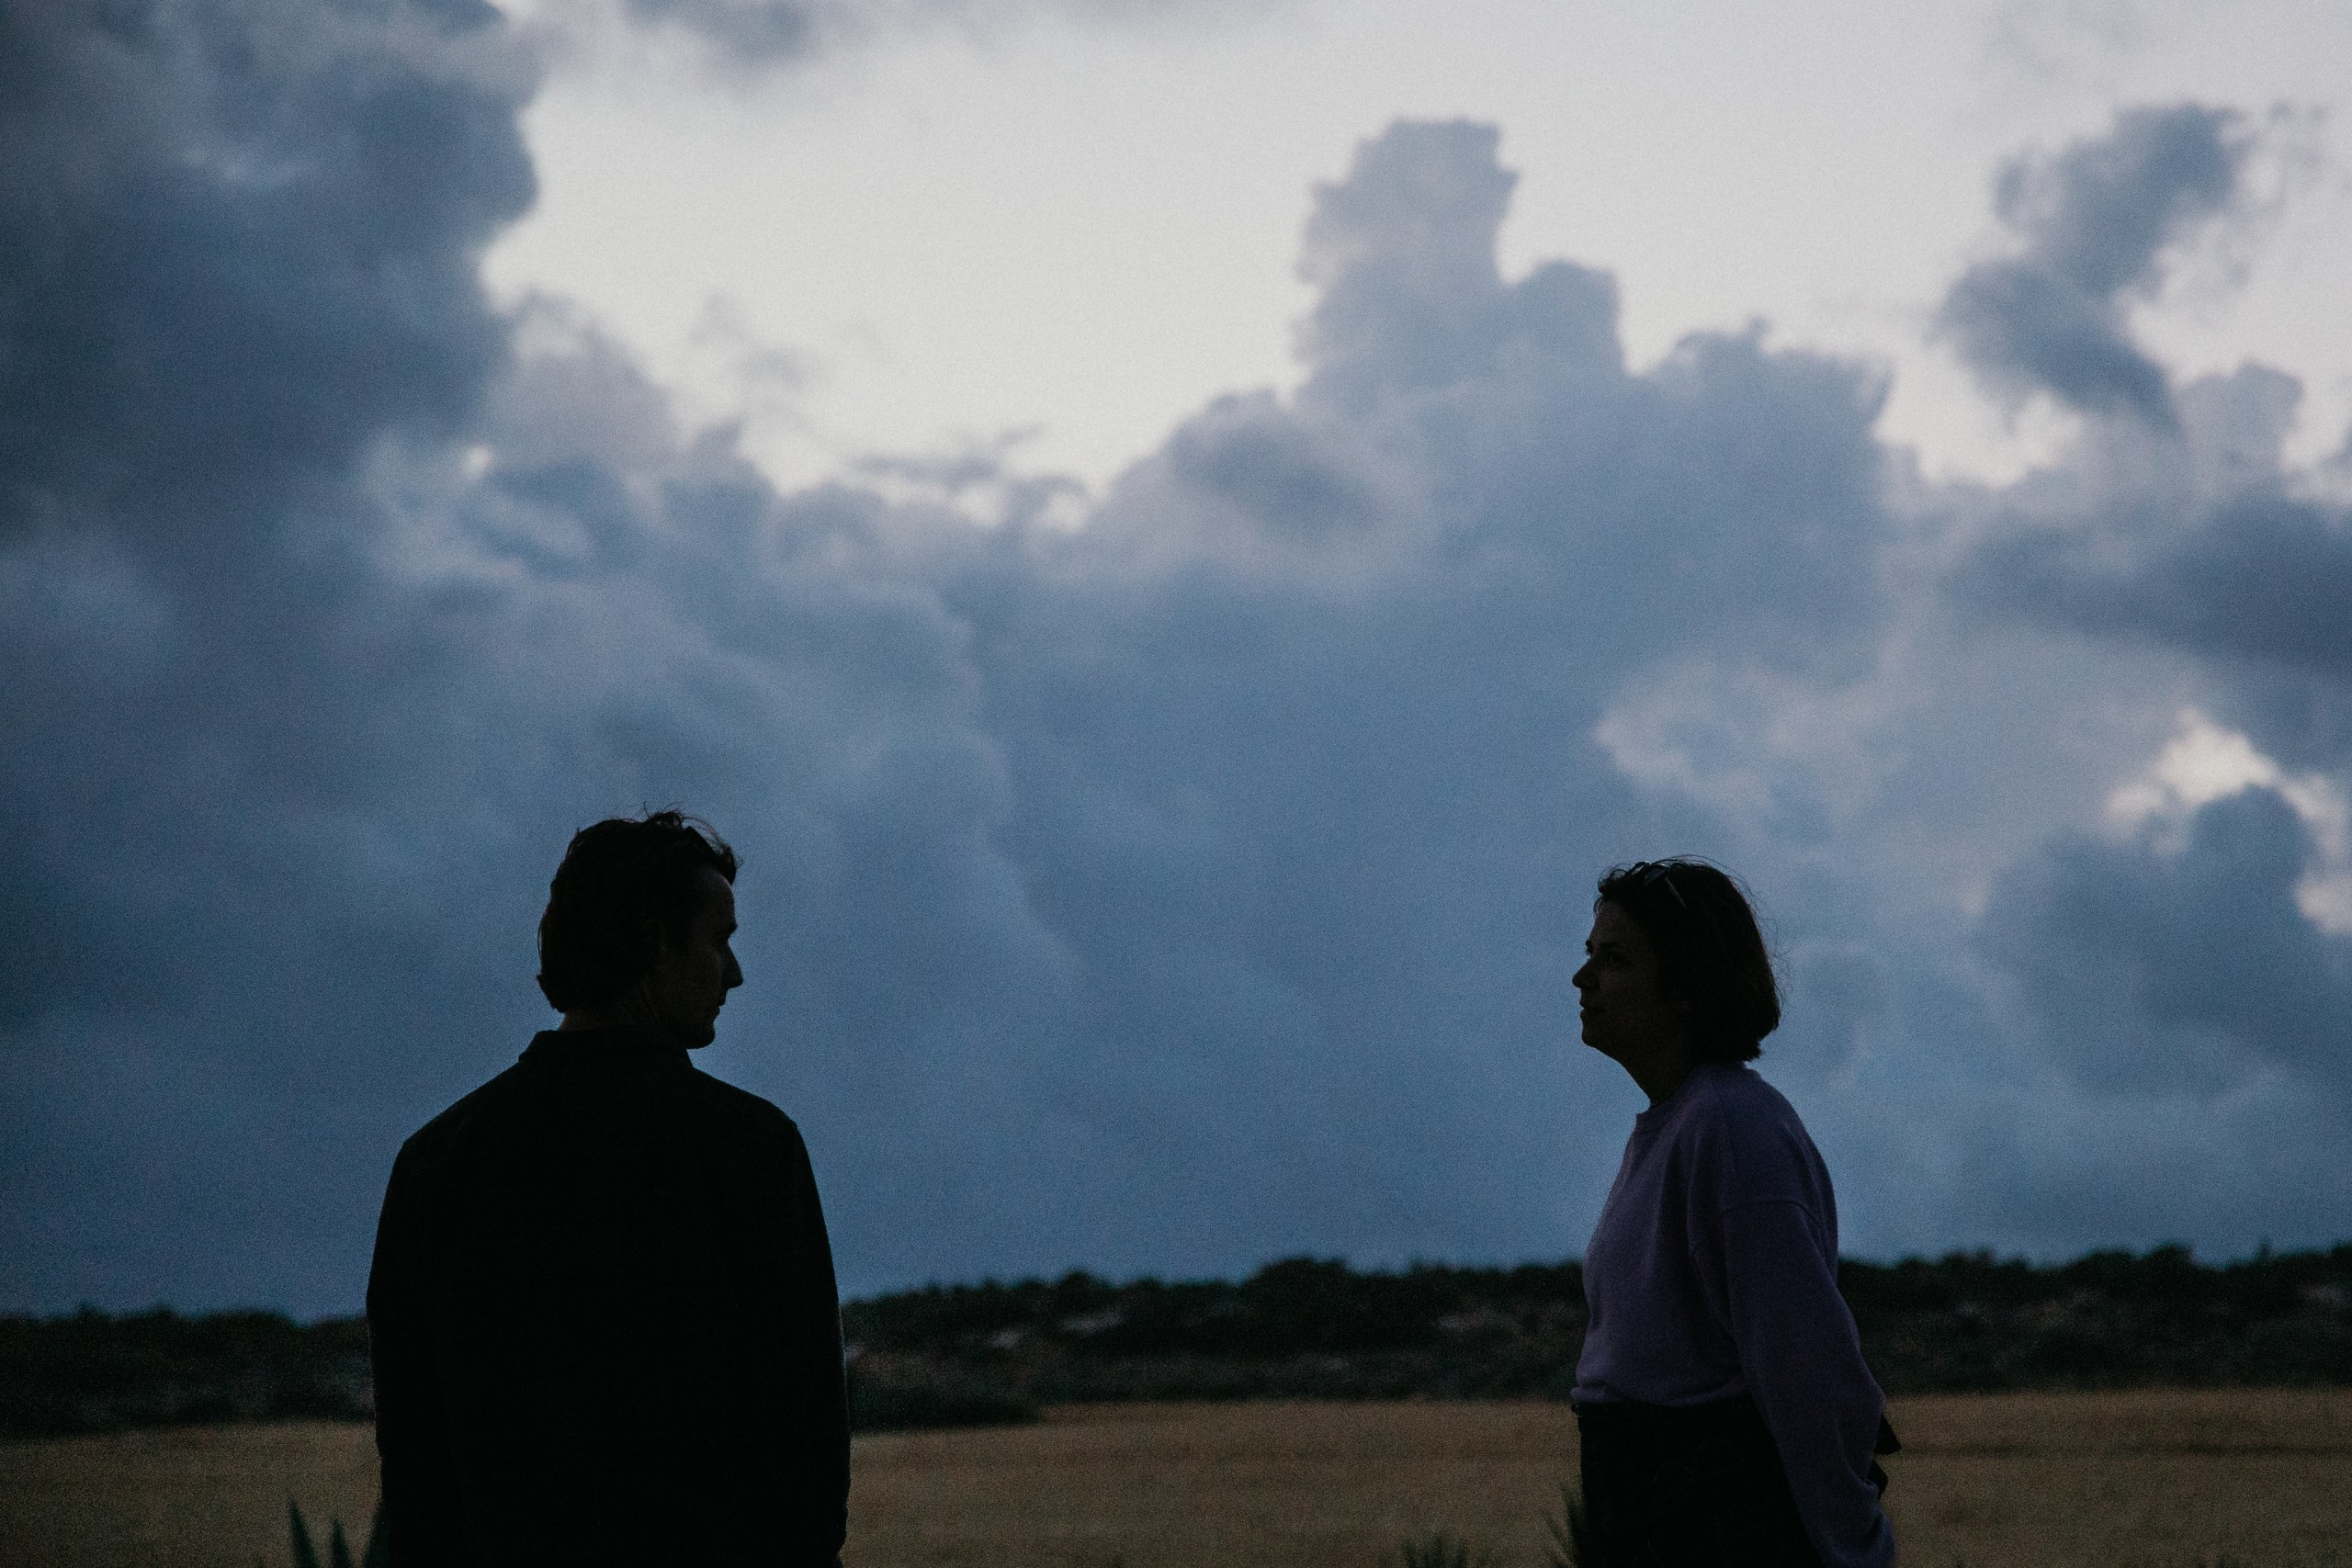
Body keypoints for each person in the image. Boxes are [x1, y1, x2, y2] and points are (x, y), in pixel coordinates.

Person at [368, 812, 849, 1568]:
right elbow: (804, 1454)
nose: (734, 972)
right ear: (655, 942)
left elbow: (416, 1466)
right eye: (719, 939)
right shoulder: (750, 1152)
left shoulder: (436, 1162)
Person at [1568, 859, 1895, 1568]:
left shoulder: (1730, 1128)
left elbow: (1807, 1365)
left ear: (1683, 987)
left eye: (1614, 959)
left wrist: (1851, 1546)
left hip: (1717, 1529)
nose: (1582, 977)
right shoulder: (1677, 1125)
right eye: (1590, 954)